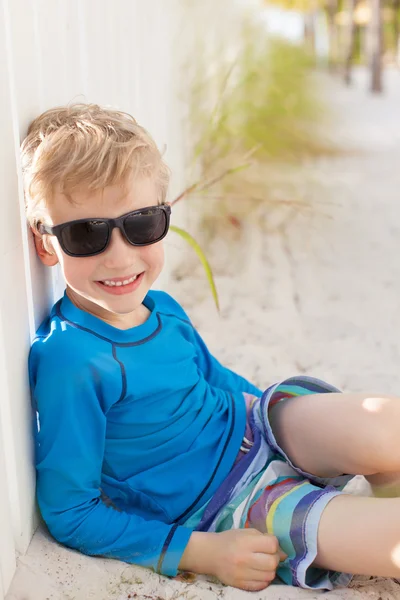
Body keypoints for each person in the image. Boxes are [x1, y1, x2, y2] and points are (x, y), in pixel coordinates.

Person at [23, 103, 400, 593]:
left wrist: (294, 428)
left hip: (255, 427)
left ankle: (378, 504)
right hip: (224, 503)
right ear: (47, 243)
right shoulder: (72, 361)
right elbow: (70, 512)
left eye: (141, 225)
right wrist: (201, 551)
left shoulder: (163, 308)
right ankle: (365, 526)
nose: (119, 256)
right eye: (84, 233)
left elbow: (214, 378)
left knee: (386, 421)